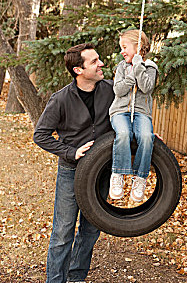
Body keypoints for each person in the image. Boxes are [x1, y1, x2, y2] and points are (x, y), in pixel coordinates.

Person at [33, 43, 114, 283]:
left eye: (99, 59)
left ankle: (76, 277)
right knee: (62, 232)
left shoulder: (110, 89)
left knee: (91, 230)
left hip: (101, 171)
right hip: (71, 172)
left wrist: (147, 133)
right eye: (94, 62)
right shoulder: (60, 100)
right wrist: (70, 152)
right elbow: (41, 135)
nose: (101, 64)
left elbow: (129, 115)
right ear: (78, 70)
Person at [109, 29, 158, 202]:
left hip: (141, 112)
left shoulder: (151, 67)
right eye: (120, 48)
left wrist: (139, 67)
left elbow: (146, 87)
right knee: (123, 134)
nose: (122, 51)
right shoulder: (121, 67)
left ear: (138, 47)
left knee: (146, 136)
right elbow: (118, 90)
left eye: (124, 47)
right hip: (120, 111)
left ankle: (140, 178)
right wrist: (131, 76)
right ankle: (118, 175)